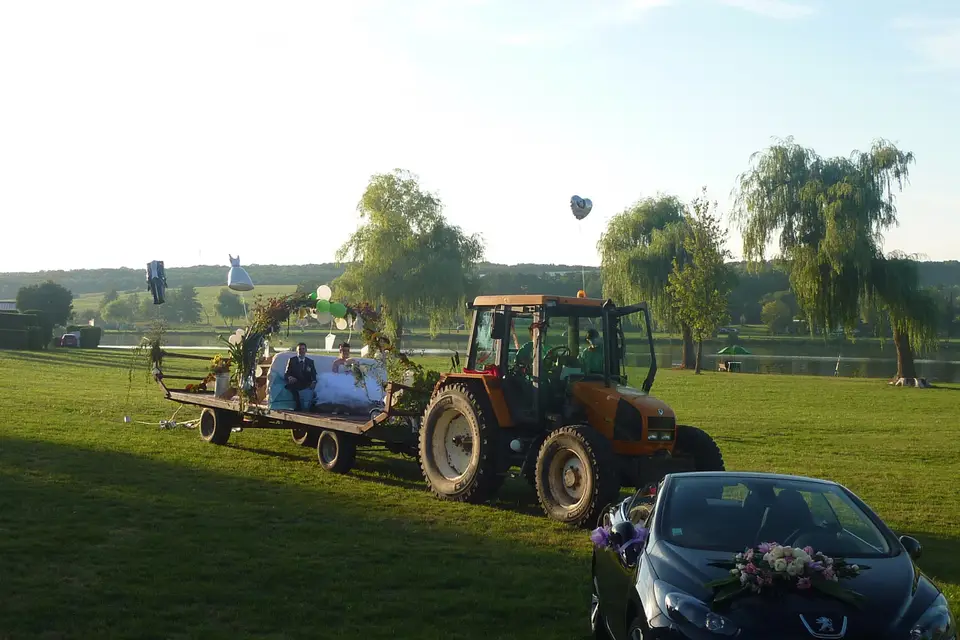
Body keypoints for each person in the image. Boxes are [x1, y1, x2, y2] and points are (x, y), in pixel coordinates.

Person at [284, 342, 317, 411]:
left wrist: (314, 381)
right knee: (294, 389)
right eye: (300, 349)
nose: (301, 351)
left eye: (303, 349)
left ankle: (313, 407)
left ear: (306, 350)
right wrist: (289, 377)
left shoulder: (310, 362)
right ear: (297, 351)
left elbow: (314, 374)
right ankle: (298, 406)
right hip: (295, 381)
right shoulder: (292, 360)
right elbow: (286, 373)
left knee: (317, 388)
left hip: (306, 382)